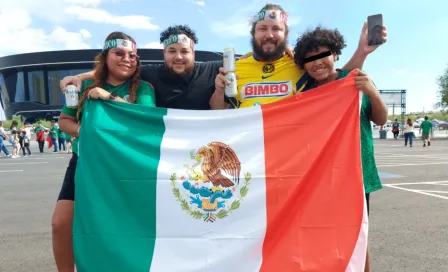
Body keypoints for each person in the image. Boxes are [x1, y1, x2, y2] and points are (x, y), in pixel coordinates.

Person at [51, 31, 156, 272]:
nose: (126, 59)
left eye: (132, 55)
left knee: (122, 226)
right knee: (61, 223)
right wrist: (90, 135)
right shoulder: (84, 85)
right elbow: (64, 122)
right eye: (119, 53)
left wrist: (108, 97)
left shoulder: (143, 88)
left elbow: (144, 120)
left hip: (125, 165)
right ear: (105, 57)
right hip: (87, 161)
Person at [292, 25, 388, 272]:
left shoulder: (355, 81)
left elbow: (381, 119)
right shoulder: (306, 93)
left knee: (358, 236)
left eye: (322, 55)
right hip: (322, 179)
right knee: (325, 237)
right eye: (309, 59)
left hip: (357, 174)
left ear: (335, 54)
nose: (316, 63)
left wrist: (373, 93)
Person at [209, 3, 387, 109]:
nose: (269, 35)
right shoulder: (236, 69)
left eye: (276, 29)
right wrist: (218, 91)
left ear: (285, 34)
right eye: (263, 28)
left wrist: (362, 51)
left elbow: (338, 80)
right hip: (251, 159)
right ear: (253, 33)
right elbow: (219, 113)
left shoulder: (299, 64)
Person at [60, 25, 223, 110]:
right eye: (172, 51)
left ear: (193, 53)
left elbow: (244, 59)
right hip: (166, 150)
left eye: (185, 51)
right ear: (164, 53)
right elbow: (117, 68)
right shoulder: (150, 73)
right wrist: (80, 77)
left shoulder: (210, 69)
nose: (178, 57)